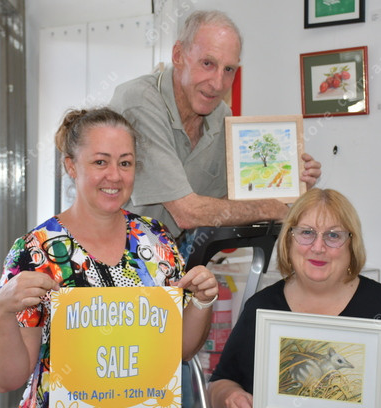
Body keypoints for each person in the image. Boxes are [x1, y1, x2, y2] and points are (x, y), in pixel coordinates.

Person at [0, 107, 220, 408]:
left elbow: (178, 352)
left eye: (125, 163)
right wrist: (0, 309)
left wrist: (202, 301)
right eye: (100, 162)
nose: (115, 176)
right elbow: (6, 379)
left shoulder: (156, 240)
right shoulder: (37, 252)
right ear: (71, 166)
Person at [207, 188, 381, 408]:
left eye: (333, 236)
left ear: (351, 244)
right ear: (289, 240)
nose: (318, 247)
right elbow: (221, 382)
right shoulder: (261, 307)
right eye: (306, 233)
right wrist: (230, 399)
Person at [109, 10, 322, 241]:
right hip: (112, 251)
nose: (218, 84)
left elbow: (229, 203)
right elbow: (187, 213)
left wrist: (291, 184)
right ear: (178, 55)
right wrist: (271, 209)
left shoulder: (221, 114)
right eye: (208, 63)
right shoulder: (139, 102)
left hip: (166, 253)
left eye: (229, 69)